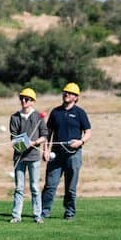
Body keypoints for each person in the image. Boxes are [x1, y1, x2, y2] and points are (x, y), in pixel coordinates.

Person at [42, 82, 92, 221]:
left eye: (70, 93)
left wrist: (80, 142)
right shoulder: (55, 112)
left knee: (70, 187)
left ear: (76, 97)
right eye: (65, 92)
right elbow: (47, 134)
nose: (66, 94)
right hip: (56, 155)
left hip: (73, 155)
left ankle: (69, 212)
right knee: (50, 185)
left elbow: (88, 132)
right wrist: (45, 150)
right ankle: (44, 212)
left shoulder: (80, 113)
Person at [9, 87, 49, 224]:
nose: (23, 101)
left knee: (35, 187)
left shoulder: (38, 117)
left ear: (32, 101)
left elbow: (44, 135)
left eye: (26, 99)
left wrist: (35, 142)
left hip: (34, 157)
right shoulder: (14, 117)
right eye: (22, 98)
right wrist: (23, 144)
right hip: (19, 157)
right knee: (19, 188)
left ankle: (37, 215)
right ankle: (16, 215)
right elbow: (13, 138)